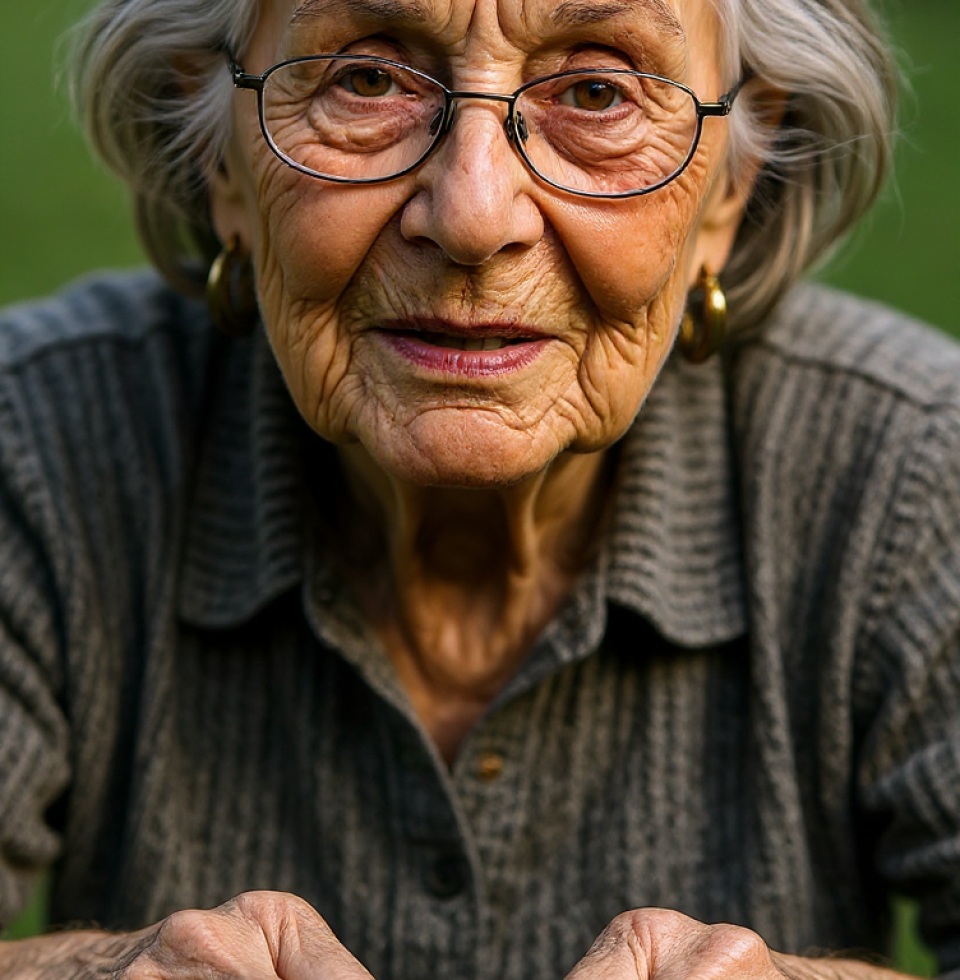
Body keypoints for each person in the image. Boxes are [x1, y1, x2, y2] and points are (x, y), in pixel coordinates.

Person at [1, 0, 959, 976]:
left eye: (597, 91)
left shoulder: (915, 474)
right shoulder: (34, 440)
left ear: (732, 184)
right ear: (220, 163)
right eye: (366, 79)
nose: (472, 214)